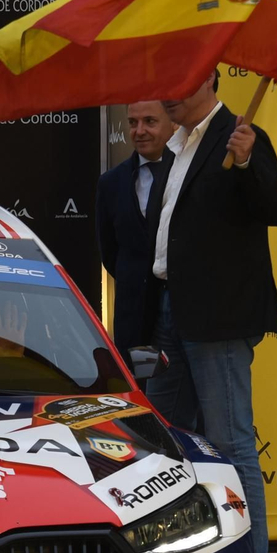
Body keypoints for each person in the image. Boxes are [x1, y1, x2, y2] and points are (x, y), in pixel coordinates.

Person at [147, 69, 277, 553]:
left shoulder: (241, 134)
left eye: (179, 83)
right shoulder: (179, 144)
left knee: (231, 444)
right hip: (171, 311)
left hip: (217, 318)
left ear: (209, 82)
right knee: (166, 444)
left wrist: (250, 160)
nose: (167, 92)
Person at [97, 101, 198, 428]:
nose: (139, 131)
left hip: (184, 320)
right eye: (133, 122)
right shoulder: (110, 183)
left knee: (189, 421)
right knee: (141, 420)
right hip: (135, 327)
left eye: (150, 121)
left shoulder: (188, 175)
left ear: (172, 124)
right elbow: (110, 253)